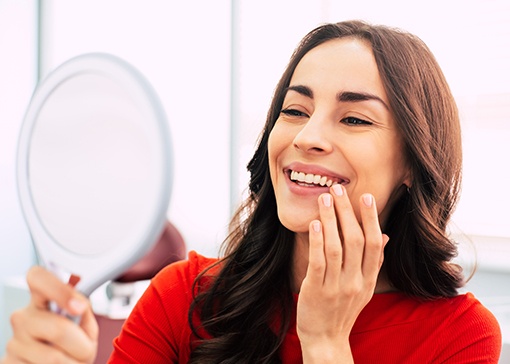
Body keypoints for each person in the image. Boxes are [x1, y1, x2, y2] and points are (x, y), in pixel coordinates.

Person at [3, 20, 502, 363]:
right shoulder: (182, 298)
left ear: (413, 164)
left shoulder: (460, 338)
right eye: (294, 110)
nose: (307, 137)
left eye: (353, 118)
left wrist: (326, 342)